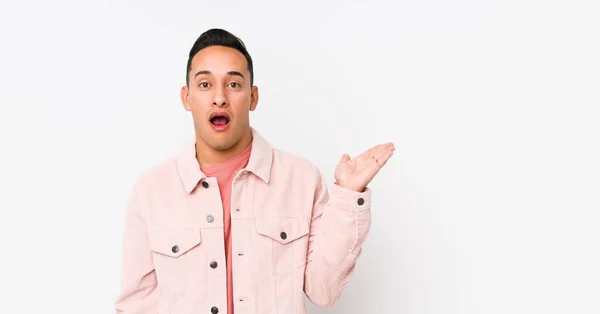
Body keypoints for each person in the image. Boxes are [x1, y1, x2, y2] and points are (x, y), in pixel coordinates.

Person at [114, 28, 395, 314]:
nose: (220, 98)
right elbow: (137, 306)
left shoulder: (301, 179)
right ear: (187, 98)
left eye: (234, 85)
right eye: (205, 84)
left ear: (253, 97)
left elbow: (323, 291)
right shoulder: (151, 191)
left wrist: (348, 196)